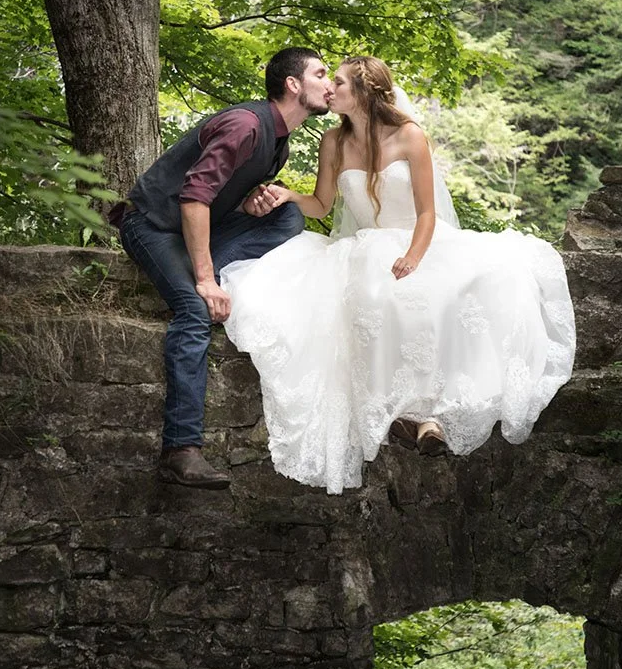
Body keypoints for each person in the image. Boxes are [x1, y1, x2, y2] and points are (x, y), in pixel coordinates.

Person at [220, 56, 576, 495]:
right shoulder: (333, 141)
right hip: (366, 246)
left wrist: (413, 254)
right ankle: (405, 415)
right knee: (371, 296)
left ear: (364, 91)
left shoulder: (410, 136)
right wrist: (287, 196)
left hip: (419, 241)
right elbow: (322, 205)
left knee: (446, 292)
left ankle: (430, 417)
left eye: (340, 82)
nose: (332, 89)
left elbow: (428, 212)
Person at [113, 47, 333, 490]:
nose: (330, 84)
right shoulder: (246, 125)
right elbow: (193, 197)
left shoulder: (279, 142)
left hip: (197, 229)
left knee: (287, 214)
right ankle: (181, 451)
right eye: (321, 73)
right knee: (195, 312)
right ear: (294, 84)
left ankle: (204, 274)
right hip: (152, 225)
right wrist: (205, 279)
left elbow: (222, 196)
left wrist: (252, 202)